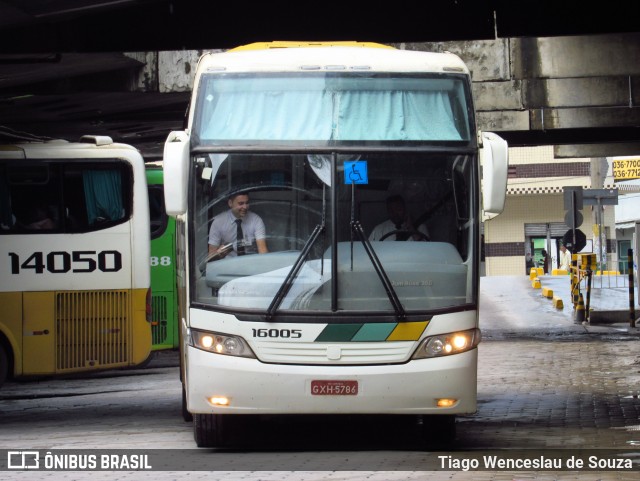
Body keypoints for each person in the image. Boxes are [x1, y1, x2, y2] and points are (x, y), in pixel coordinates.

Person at [208, 192, 268, 260]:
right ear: (230, 203)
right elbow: (211, 256)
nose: (245, 207)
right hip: (227, 264)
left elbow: (263, 251)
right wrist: (219, 254)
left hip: (250, 262)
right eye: (241, 203)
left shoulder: (256, 220)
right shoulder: (218, 222)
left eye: (247, 203)